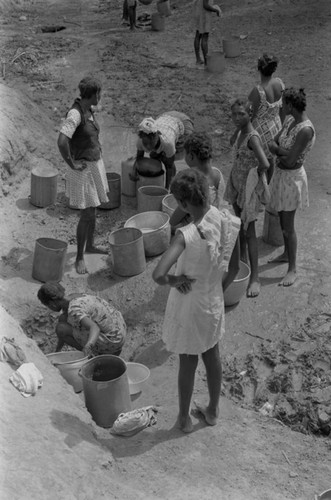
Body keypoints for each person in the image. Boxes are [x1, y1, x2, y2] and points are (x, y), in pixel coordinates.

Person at [152, 169, 240, 433]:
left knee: (187, 361)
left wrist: (175, 281)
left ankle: (183, 418)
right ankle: (213, 410)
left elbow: (158, 274)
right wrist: (215, 289)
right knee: (212, 354)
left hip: (190, 306)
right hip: (212, 302)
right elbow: (234, 268)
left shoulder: (186, 235)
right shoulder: (226, 220)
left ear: (182, 204)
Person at [57, 77, 109, 275]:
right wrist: (71, 163)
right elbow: (62, 141)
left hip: (94, 165)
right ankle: (79, 257)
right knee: (86, 214)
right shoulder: (75, 114)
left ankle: (91, 245)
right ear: (93, 94)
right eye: (99, 93)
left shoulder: (89, 111)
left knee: (93, 208)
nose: (100, 97)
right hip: (83, 169)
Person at [268, 88, 315, 287]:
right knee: (282, 220)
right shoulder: (289, 121)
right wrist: (282, 152)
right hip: (282, 177)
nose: (281, 106)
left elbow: (291, 159)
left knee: (289, 227)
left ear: (290, 105)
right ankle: (287, 254)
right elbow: (276, 143)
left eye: (283, 104)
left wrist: (279, 151)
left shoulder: (305, 129)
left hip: (292, 180)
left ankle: (292, 269)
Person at [224, 98, 270, 298]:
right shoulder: (241, 132)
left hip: (247, 190)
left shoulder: (252, 137)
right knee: (240, 227)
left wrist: (255, 176)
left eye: (241, 114)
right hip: (236, 185)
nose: (236, 117)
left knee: (250, 231)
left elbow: (265, 163)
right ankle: (242, 261)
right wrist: (236, 129)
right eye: (233, 114)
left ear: (250, 115)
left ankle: (255, 278)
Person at [37, 282, 126, 357]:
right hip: (120, 330)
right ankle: (99, 350)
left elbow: (95, 328)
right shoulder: (74, 297)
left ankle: (94, 356)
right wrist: (57, 351)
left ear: (52, 303)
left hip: (113, 341)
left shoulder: (74, 310)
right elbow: (62, 325)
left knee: (61, 328)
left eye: (47, 305)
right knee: (63, 320)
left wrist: (88, 347)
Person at [170, 131, 227, 231]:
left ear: (191, 156)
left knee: (172, 229)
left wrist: (170, 224)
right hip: (215, 220)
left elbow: (175, 218)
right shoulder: (218, 174)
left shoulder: (192, 183)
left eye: (185, 154)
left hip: (199, 228)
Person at [248, 54, 285, 182]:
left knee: (260, 161)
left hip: (261, 130)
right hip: (276, 125)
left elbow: (250, 114)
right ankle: (269, 184)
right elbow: (282, 109)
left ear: (259, 68)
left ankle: (262, 187)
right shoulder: (279, 83)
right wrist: (282, 127)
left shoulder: (258, 91)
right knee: (271, 159)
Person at [135, 111, 194, 189]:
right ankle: (157, 180)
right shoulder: (140, 141)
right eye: (145, 143)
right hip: (166, 117)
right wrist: (135, 175)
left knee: (167, 160)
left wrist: (166, 190)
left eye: (151, 142)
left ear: (157, 135)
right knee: (153, 156)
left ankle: (172, 186)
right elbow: (139, 159)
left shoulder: (168, 143)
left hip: (183, 124)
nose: (148, 146)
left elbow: (169, 168)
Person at [193, 0, 222, 66]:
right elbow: (205, 5)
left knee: (198, 34)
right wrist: (216, 10)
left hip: (198, 11)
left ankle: (198, 59)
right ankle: (206, 62)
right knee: (205, 36)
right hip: (204, 14)